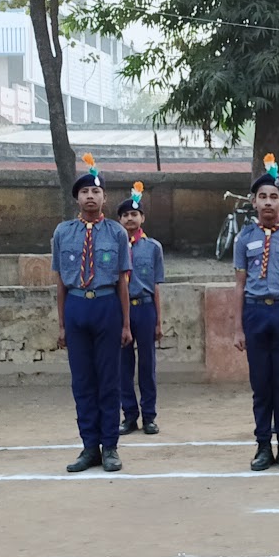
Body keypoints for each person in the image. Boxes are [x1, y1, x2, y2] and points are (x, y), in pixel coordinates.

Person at [54, 154, 134, 473]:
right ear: (77, 197)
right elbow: (60, 282)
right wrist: (62, 324)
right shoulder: (63, 233)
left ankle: (110, 446)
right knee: (82, 381)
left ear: (104, 198)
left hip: (106, 305)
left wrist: (126, 324)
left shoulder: (116, 233)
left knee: (109, 380)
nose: (90, 196)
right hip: (76, 306)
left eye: (96, 192)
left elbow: (123, 282)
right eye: (85, 191)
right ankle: (90, 447)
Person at [233, 156, 279, 471]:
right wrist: (238, 328)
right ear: (254, 202)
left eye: (275, 197)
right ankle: (262, 446)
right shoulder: (244, 238)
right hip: (256, 314)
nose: (269, 202)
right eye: (263, 197)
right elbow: (239, 285)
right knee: (261, 385)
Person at [118, 182, 165, 436]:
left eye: (134, 214)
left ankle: (149, 415)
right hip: (120, 310)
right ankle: (129, 415)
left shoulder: (153, 247)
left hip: (145, 308)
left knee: (147, 364)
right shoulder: (115, 246)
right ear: (119, 220)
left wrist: (158, 321)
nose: (130, 219)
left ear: (142, 218)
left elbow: (156, 286)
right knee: (123, 365)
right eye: (125, 215)